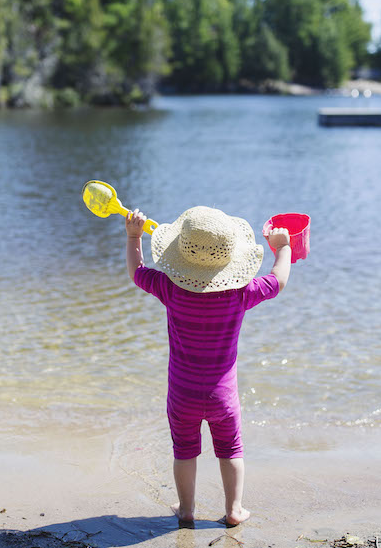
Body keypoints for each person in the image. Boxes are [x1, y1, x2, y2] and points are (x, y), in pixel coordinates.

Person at [124, 205, 292, 527]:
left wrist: (134, 236)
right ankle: (234, 509)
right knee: (231, 450)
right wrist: (282, 248)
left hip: (182, 394)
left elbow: (137, 271)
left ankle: (186, 509)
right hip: (223, 397)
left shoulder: (170, 288)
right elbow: (278, 280)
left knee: (184, 451)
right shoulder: (241, 292)